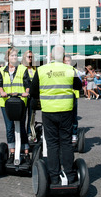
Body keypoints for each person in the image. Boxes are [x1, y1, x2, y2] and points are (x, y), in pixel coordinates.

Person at [30, 45, 82, 184]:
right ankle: (70, 175)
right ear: (64, 57)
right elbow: (78, 87)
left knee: (52, 144)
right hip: (66, 110)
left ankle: (54, 176)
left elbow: (33, 92)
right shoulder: (70, 69)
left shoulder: (41, 70)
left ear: (51, 57)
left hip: (49, 111)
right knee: (66, 142)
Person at [0, 47, 31, 165]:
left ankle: (26, 152)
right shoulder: (2, 70)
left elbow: (27, 83)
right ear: (8, 58)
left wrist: (27, 92)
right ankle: (12, 152)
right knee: (9, 128)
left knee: (21, 127)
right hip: (6, 103)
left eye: (16, 55)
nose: (14, 57)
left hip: (20, 102)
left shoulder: (22, 69)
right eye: (12, 56)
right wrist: (1, 92)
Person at [63, 54, 80, 143]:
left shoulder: (74, 71)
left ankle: (74, 134)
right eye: (65, 61)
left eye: (68, 61)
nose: (67, 63)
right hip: (63, 97)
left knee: (73, 116)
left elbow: (79, 84)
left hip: (73, 95)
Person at [21, 50, 37, 143]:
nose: (30, 58)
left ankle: (29, 134)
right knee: (22, 117)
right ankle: (23, 135)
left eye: (31, 57)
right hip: (23, 95)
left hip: (32, 96)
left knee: (31, 117)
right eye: (28, 56)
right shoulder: (21, 68)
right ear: (24, 57)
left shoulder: (34, 68)